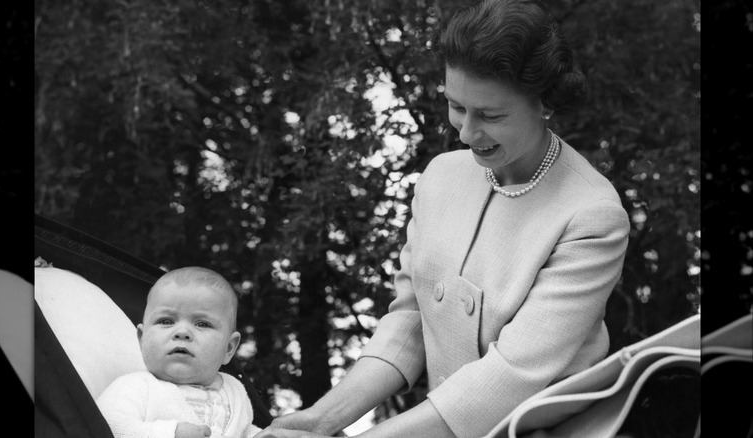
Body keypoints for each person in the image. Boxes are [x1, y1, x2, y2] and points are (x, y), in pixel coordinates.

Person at [255, 0, 630, 437]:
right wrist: (323, 420)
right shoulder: (440, 176)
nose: (467, 133)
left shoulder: (593, 215)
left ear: (545, 103)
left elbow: (511, 375)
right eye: (456, 106)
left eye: (491, 115)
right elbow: (411, 318)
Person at [97, 266, 262, 438]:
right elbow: (106, 425)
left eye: (202, 324)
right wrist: (169, 434)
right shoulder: (135, 387)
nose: (182, 332)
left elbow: (244, 430)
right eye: (166, 321)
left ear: (229, 348)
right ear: (142, 338)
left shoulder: (235, 391)